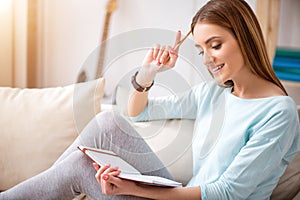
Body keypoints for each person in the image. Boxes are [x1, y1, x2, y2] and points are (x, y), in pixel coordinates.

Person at [1, 0, 299, 199]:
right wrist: (147, 74)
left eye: (215, 45)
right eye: (200, 50)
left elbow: (229, 191)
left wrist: (134, 188)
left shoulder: (278, 112)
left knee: (81, 167)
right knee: (108, 120)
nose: (207, 59)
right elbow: (137, 113)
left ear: (245, 38)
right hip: (183, 193)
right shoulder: (214, 93)